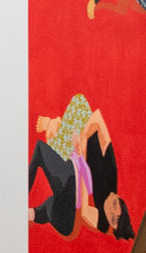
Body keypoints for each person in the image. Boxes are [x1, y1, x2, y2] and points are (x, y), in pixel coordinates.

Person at [29, 95, 130, 240]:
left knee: (65, 222)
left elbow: (85, 212)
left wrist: (80, 155)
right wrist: (82, 140)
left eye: (113, 219)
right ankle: (52, 125)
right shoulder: (111, 171)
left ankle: (34, 213)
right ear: (117, 197)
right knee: (80, 103)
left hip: (76, 164)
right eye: (114, 204)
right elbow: (97, 118)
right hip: (78, 144)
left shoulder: (102, 222)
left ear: (111, 226)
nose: (109, 209)